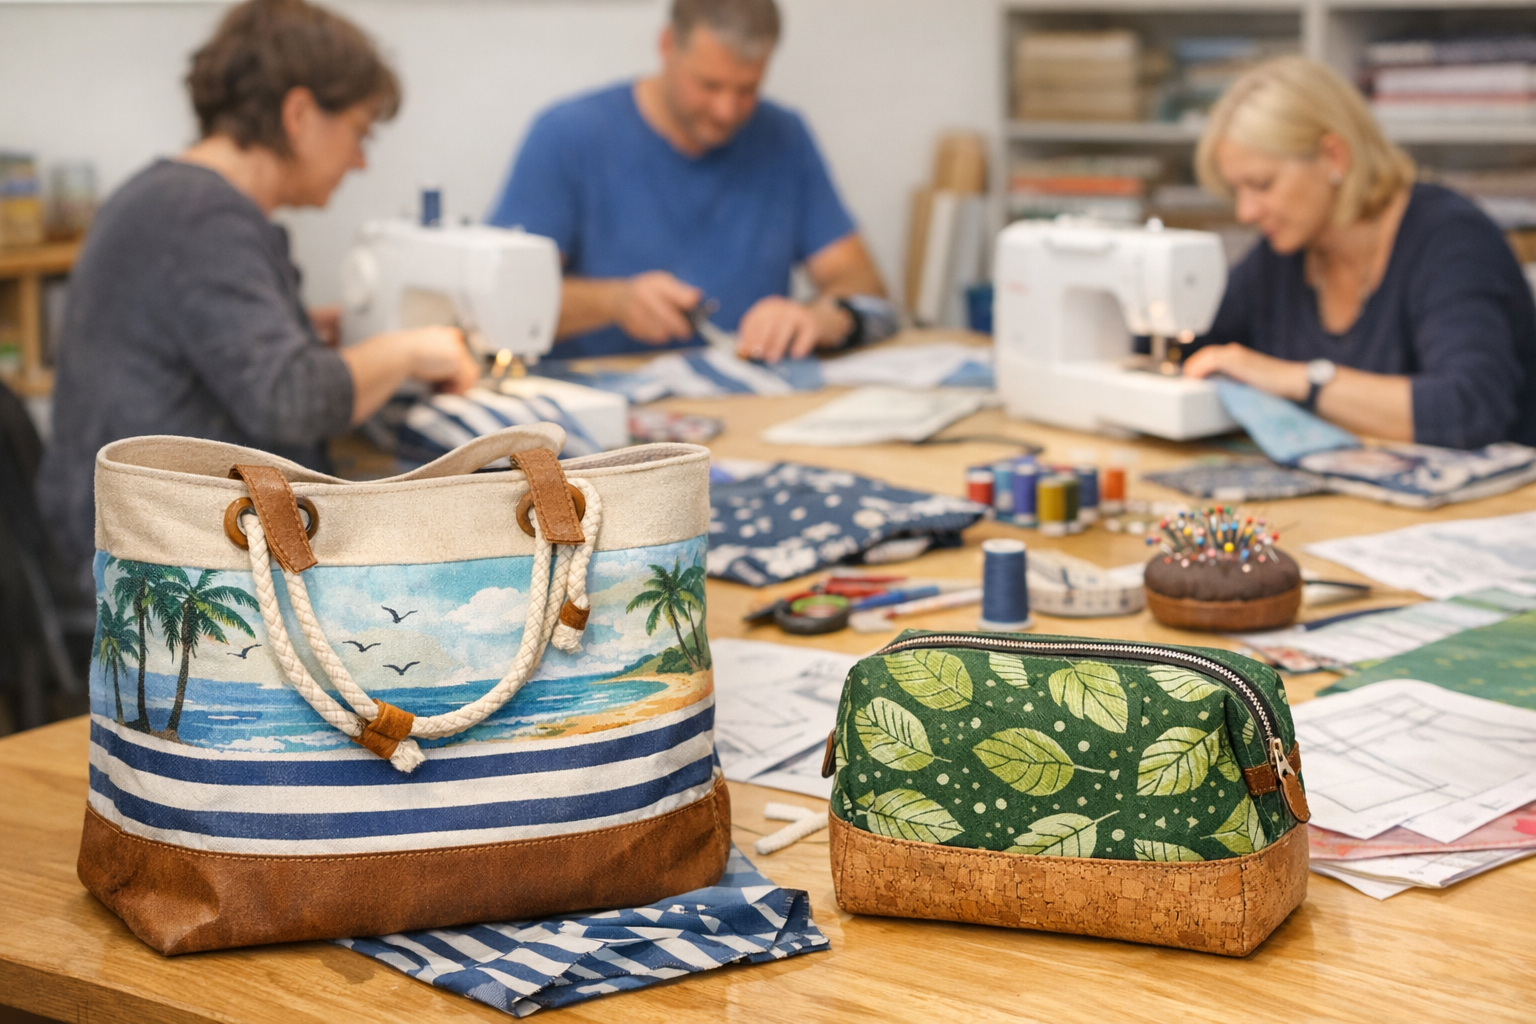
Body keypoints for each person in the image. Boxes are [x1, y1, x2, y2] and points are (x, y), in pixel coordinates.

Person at [38, 0, 480, 588]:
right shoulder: (202, 217)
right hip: (149, 560)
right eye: (357, 131)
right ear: (299, 113)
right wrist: (413, 350)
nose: (360, 159)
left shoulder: (166, 198)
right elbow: (288, 398)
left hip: (126, 528)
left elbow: (220, 355)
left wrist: (300, 330)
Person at [488, 0, 891, 363]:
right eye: (709, 85)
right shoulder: (568, 137)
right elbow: (497, 302)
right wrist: (614, 302)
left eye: (747, 89)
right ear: (667, 46)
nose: (726, 110)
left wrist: (817, 317)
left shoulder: (784, 137)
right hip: (595, 412)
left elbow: (862, 285)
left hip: (745, 403)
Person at [1183, 55, 1536, 449]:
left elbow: (1471, 408)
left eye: (1262, 185)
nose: (1245, 212)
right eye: (1236, 192)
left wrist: (1297, 380)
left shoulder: (1453, 241)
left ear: (1334, 156)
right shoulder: (1282, 255)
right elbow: (1194, 347)